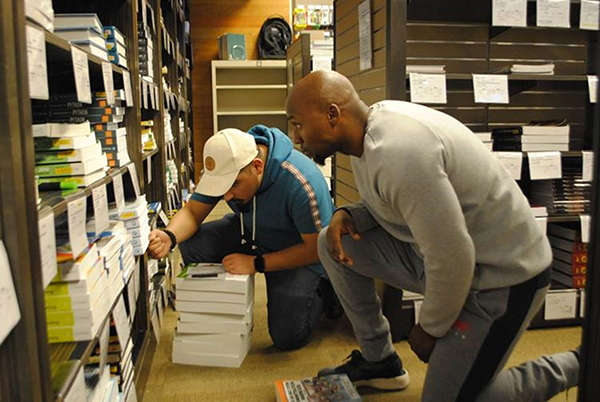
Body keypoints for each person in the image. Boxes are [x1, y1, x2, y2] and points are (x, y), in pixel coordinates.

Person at [285, 70, 580, 400]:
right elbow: (393, 205)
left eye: (297, 123)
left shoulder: (399, 152)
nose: (296, 136)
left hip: (505, 276)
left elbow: (453, 257)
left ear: (332, 115)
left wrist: (430, 328)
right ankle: (379, 361)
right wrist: (349, 214)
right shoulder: (369, 132)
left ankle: (578, 363)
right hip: (450, 259)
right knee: (332, 243)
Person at [148, 125, 340, 351]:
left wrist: (257, 264)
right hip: (250, 231)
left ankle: (329, 292)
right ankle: (218, 312)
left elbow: (315, 248)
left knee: (287, 337)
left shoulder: (301, 182)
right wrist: (169, 236)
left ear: (257, 167)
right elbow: (192, 212)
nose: (226, 196)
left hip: (299, 252)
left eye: (233, 186)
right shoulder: (227, 165)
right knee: (192, 245)